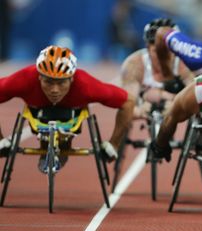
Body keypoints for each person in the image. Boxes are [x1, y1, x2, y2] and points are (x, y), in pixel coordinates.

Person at [0, 45, 135, 172]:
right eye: (48, 82)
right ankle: (47, 148)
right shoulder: (24, 79)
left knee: (64, 142)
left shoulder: (86, 85)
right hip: (36, 114)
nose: (54, 90)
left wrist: (114, 144)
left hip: (71, 117)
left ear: (71, 79)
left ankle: (63, 145)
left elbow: (128, 102)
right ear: (39, 76)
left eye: (61, 83)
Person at [120, 18, 193, 120]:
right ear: (148, 48)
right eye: (156, 51)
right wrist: (140, 111)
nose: (161, 56)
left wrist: (175, 104)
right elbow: (126, 106)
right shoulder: (134, 64)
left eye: (166, 51)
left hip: (176, 99)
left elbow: (197, 100)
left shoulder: (185, 63)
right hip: (146, 103)